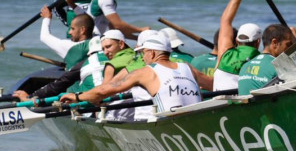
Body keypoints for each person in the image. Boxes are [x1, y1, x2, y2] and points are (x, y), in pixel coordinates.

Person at [61, 31, 215, 115]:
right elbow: (215, 84)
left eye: (144, 53)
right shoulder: (188, 67)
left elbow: (104, 91)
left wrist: (76, 97)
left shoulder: (145, 72)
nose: (143, 57)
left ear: (152, 53)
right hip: (195, 119)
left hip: (169, 125)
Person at [13, 36, 106, 102]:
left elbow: (58, 85)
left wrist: (30, 97)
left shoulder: (85, 63)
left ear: (89, 54)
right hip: (114, 101)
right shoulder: (116, 59)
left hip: (92, 102)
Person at [214, 0, 262, 90]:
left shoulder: (225, 54)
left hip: (218, 105)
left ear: (236, 40)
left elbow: (225, 20)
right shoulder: (262, 61)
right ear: (258, 42)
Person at [237, 24, 296, 95]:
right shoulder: (279, 66)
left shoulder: (245, 66)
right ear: (275, 43)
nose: (290, 49)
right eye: (288, 45)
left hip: (244, 104)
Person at [99, 29, 146, 121]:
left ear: (121, 44)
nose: (105, 52)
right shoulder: (142, 56)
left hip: (121, 112)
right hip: (143, 106)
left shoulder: (112, 65)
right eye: (103, 49)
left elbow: (103, 92)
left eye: (108, 47)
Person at [36, 4, 94, 71]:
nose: (69, 32)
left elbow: (44, 37)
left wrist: (47, 18)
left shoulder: (71, 47)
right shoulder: (99, 42)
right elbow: (90, 20)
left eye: (72, 29)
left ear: (82, 30)